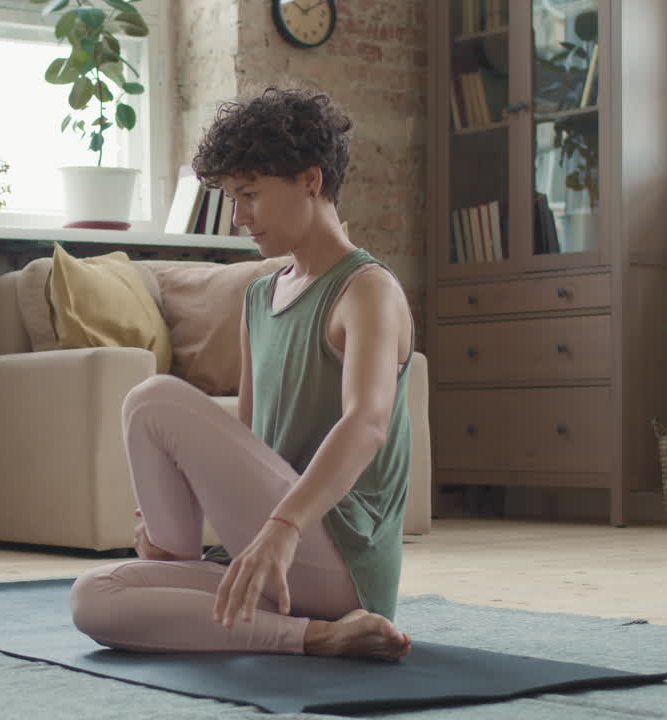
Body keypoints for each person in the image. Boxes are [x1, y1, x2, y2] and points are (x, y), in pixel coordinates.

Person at [68, 86, 415, 661]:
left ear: (310, 180)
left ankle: (316, 606)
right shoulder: (259, 299)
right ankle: (319, 636)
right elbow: (254, 449)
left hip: (341, 555)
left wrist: (282, 528)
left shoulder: (367, 289)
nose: (239, 217)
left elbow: (368, 424)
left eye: (250, 194)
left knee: (152, 398)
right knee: (96, 598)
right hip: (275, 557)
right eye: (232, 197)